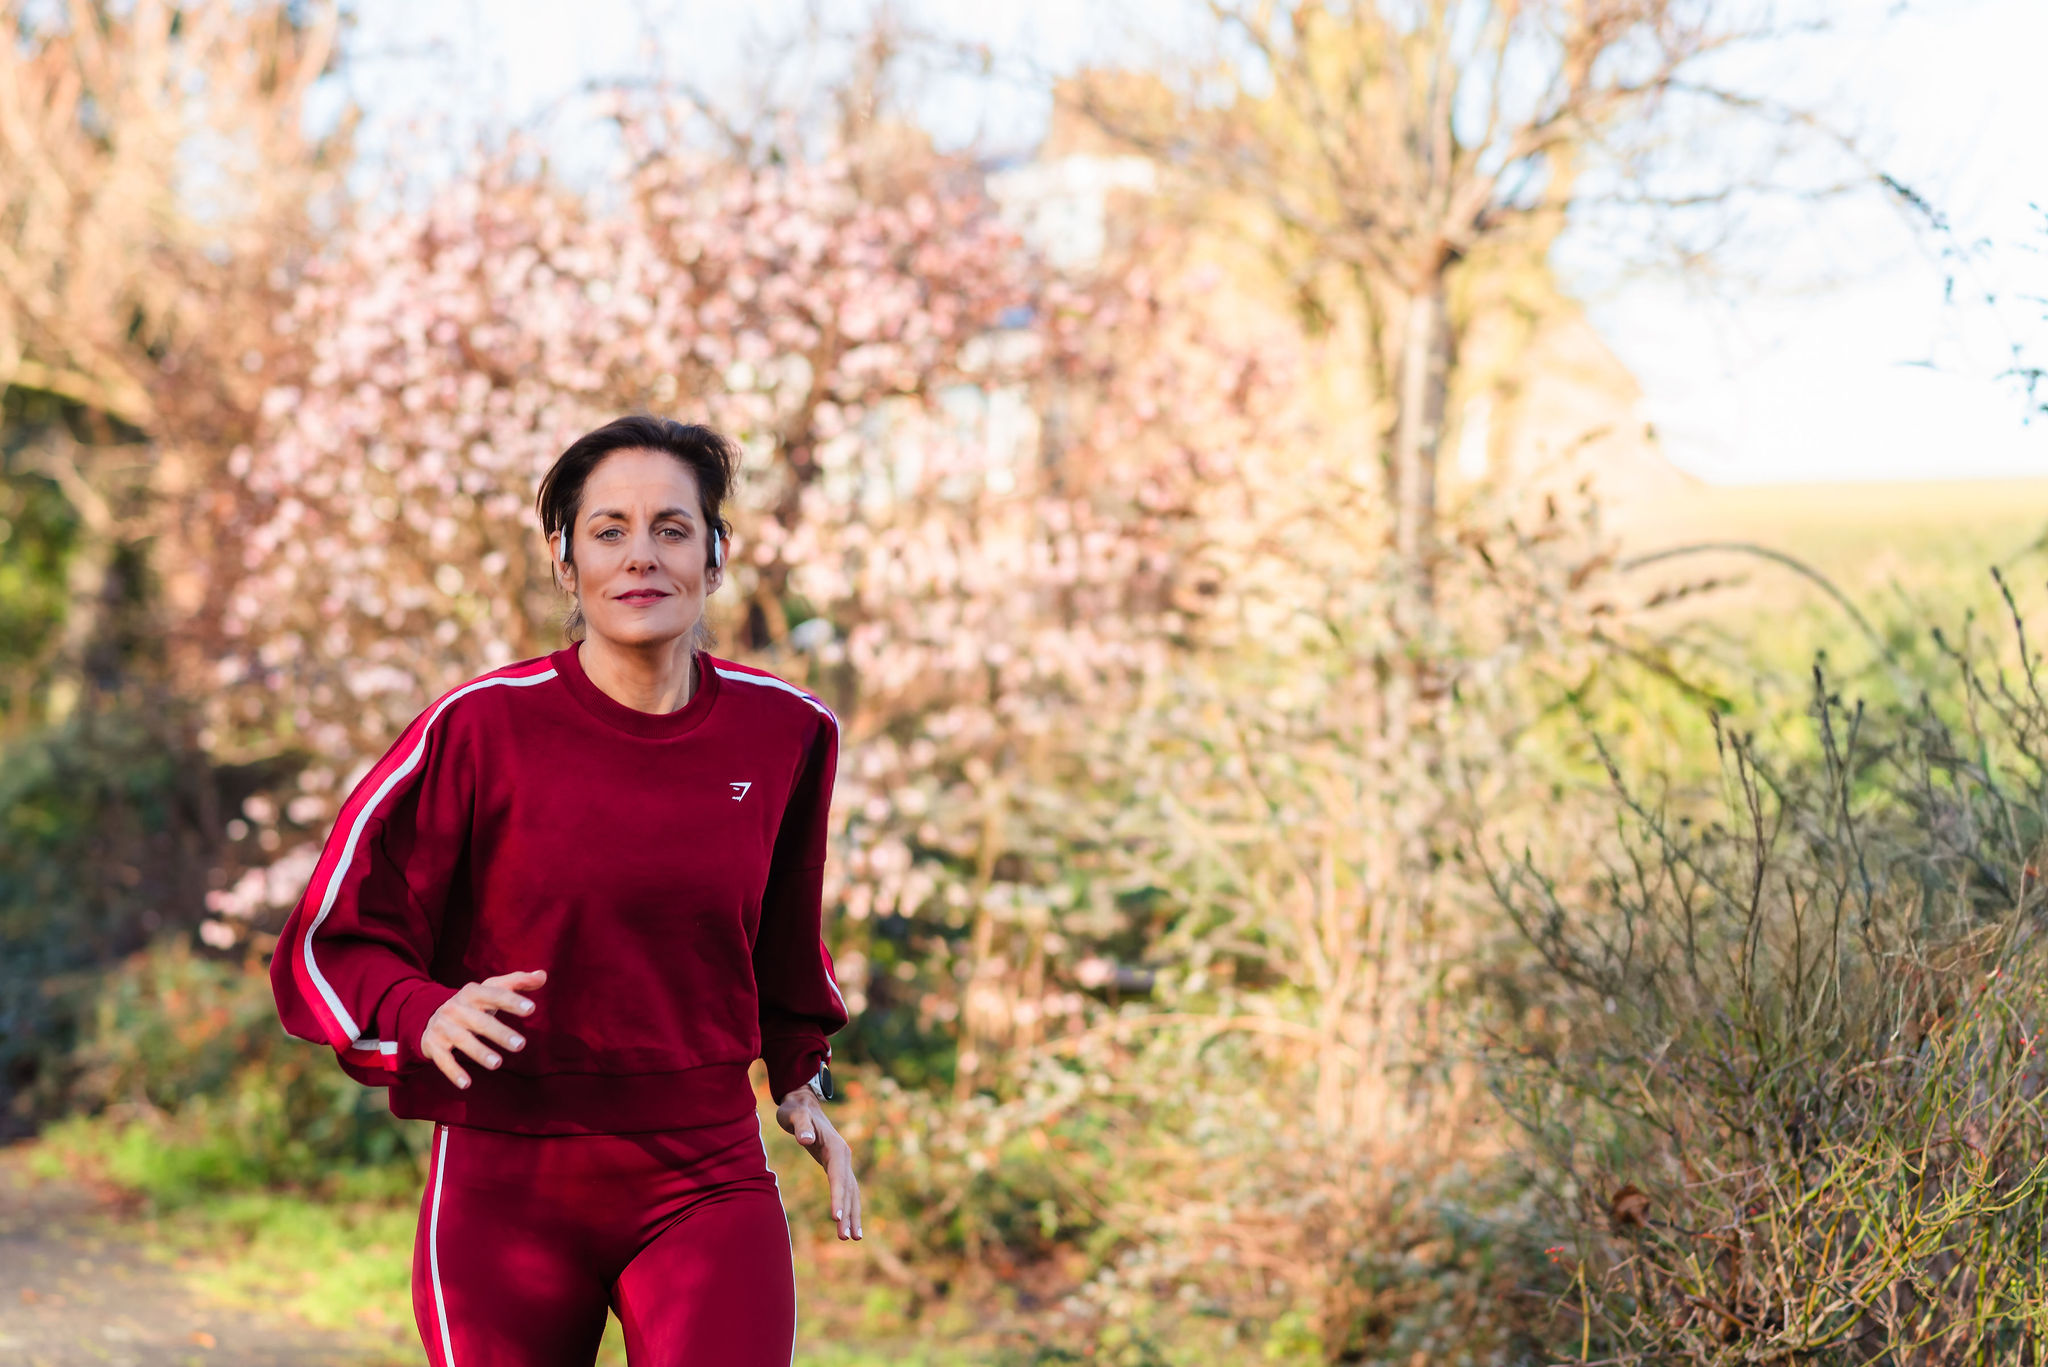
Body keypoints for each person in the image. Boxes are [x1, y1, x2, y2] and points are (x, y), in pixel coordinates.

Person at [269, 415, 862, 1367]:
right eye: (609, 529)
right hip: (508, 1176)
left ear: (715, 558)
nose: (642, 557)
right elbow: (333, 933)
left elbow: (784, 943)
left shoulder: (787, 731)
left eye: (672, 528)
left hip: (704, 1172)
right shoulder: (478, 728)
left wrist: (801, 1075)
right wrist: (419, 1011)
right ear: (564, 559)